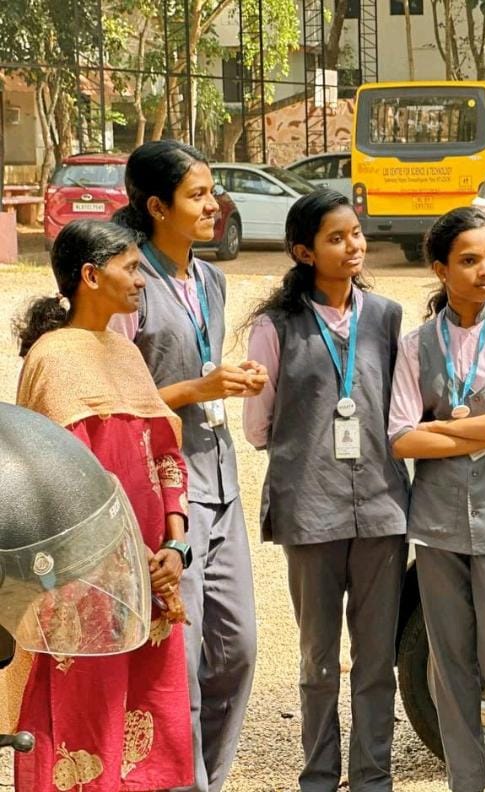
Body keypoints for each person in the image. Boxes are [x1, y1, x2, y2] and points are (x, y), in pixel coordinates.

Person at [12, 219, 193, 791]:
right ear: (91, 276)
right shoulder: (51, 359)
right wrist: (125, 559)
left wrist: (176, 543)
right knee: (83, 713)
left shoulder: (128, 354)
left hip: (152, 569)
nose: (141, 280)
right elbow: (54, 482)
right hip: (84, 578)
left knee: (145, 707)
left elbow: (165, 455)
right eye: (131, 268)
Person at [241, 190, 409, 792]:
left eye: (356, 233)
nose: (353, 246)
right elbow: (256, 426)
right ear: (304, 252)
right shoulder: (274, 327)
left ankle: (372, 777)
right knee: (317, 657)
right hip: (309, 509)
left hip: (382, 508)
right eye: (336, 238)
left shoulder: (387, 317)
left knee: (376, 657)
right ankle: (318, 776)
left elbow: (402, 408)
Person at [111, 139, 265, 792]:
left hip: (221, 480)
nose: (213, 205)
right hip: (163, 494)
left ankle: (208, 780)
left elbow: (202, 372)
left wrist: (227, 382)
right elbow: (117, 399)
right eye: (197, 195)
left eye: (212, 192)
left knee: (238, 652)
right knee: (181, 662)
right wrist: (199, 388)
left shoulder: (212, 280)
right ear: (156, 207)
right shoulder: (129, 286)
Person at [388, 206, 485, 792]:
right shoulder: (416, 344)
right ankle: (465, 780)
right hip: (437, 520)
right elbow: (401, 438)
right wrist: (481, 431)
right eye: (470, 260)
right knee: (450, 658)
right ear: (440, 269)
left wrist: (443, 428)